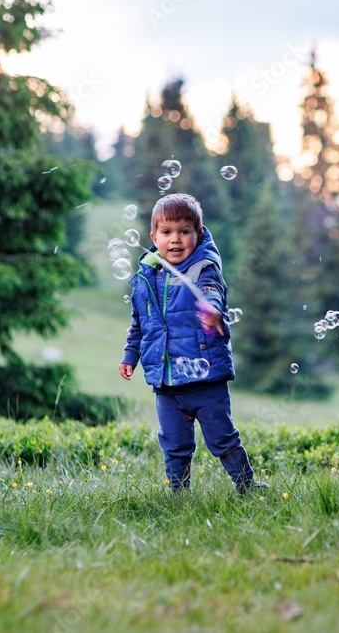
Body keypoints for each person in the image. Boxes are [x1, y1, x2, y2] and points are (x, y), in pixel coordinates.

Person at [119, 193, 265, 494]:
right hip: (167, 384)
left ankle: (246, 485)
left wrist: (212, 311)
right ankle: (178, 493)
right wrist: (130, 356)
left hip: (205, 379)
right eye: (167, 232)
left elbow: (212, 293)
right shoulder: (147, 278)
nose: (175, 239)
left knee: (222, 438)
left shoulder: (203, 270)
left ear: (197, 235)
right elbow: (139, 324)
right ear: (154, 237)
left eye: (184, 231)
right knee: (174, 444)